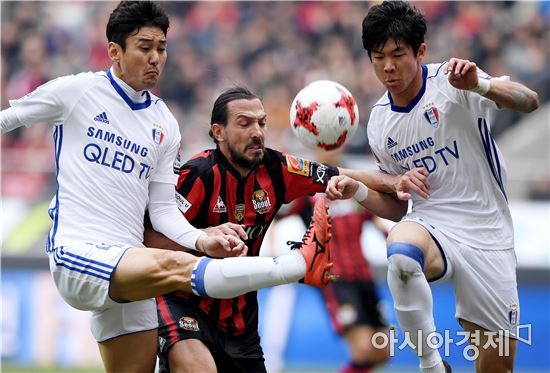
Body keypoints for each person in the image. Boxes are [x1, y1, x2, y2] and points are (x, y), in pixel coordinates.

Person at [0, 2, 337, 372]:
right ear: (115, 51)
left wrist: (201, 238)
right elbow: (9, 119)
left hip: (130, 268)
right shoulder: (77, 91)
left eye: (161, 48)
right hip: (77, 253)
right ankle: (296, 264)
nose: (155, 58)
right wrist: (196, 251)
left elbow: (162, 210)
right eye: (144, 47)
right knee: (180, 267)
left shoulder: (164, 122)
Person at [326, 1, 540, 373]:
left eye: (397, 55)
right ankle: (431, 365)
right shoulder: (380, 122)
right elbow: (397, 208)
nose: (388, 67)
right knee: (402, 252)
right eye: (378, 58)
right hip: (433, 224)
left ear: (420, 51)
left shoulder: (455, 82)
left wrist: (482, 85)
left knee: (497, 368)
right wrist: (359, 191)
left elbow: (529, 101)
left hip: (489, 236)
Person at [145, 86, 413, 373]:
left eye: (261, 123)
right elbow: (150, 239)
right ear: (218, 132)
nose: (257, 132)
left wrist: (394, 182)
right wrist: (204, 237)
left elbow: (342, 174)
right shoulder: (198, 173)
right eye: (244, 123)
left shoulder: (279, 168)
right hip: (185, 302)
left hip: (240, 319)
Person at [287, 148, 391, 373]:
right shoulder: (307, 190)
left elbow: (376, 219)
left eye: (334, 144)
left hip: (363, 274)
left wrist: (396, 243)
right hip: (334, 277)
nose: (329, 150)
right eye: (323, 145)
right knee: (363, 349)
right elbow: (276, 214)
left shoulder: (353, 186)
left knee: (384, 350)